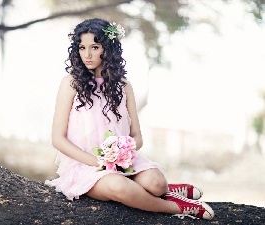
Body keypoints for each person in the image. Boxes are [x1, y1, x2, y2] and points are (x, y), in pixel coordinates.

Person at [45, 18, 214, 220]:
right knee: (118, 185)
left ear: (107, 49)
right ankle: (177, 207)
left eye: (94, 47)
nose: (87, 54)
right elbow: (58, 139)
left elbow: (137, 136)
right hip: (84, 166)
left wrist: (123, 153)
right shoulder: (70, 83)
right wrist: (99, 161)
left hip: (123, 163)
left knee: (157, 184)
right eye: (82, 47)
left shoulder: (123, 85)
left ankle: (164, 191)